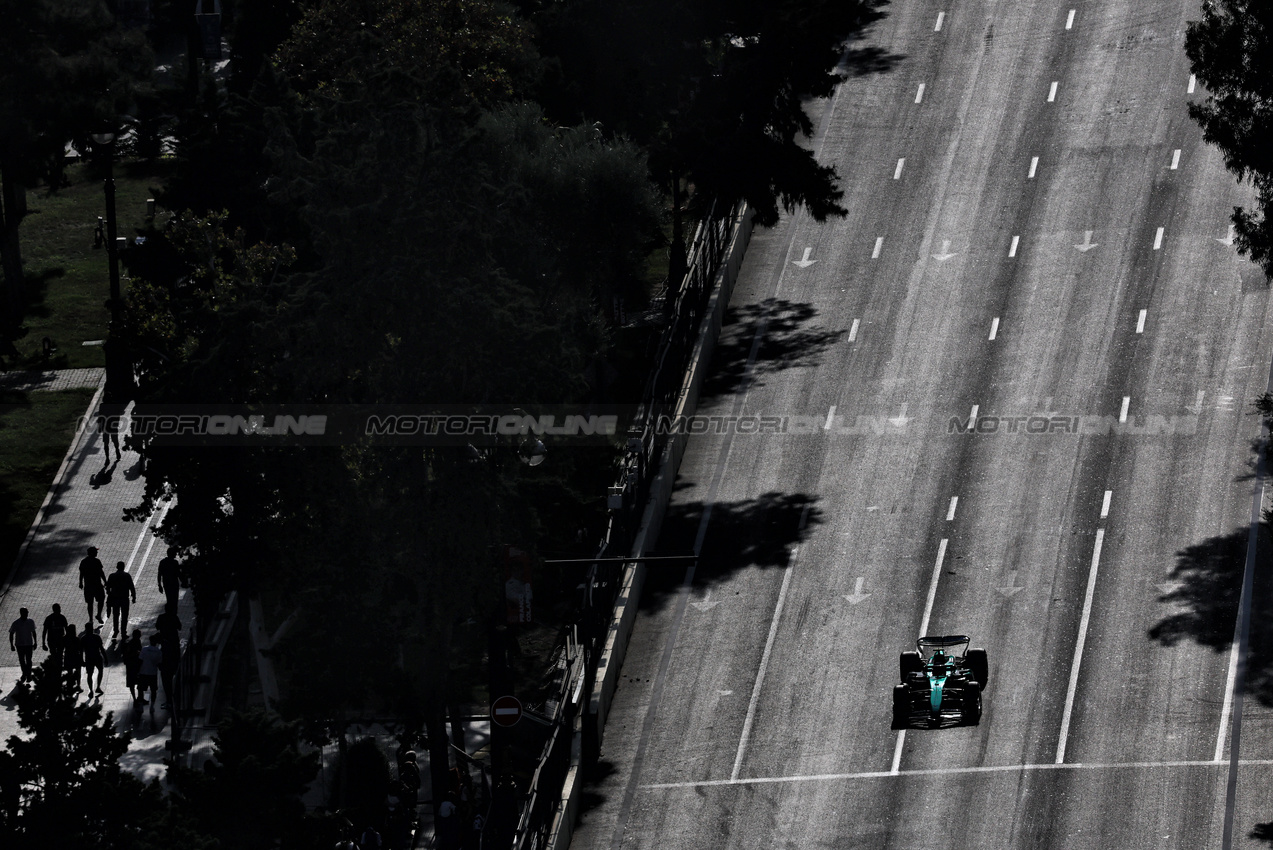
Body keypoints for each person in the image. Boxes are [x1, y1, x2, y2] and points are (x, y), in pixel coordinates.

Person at [156, 603, 182, 709]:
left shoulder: (161, 617)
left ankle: (169, 700)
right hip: (174, 644)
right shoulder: (174, 617)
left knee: (166, 681)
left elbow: (157, 626)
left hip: (166, 644)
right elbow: (179, 627)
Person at [104, 561, 137, 640]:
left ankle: (115, 630)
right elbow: (131, 587)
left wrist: (109, 594)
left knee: (115, 615)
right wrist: (133, 596)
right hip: (124, 598)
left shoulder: (112, 576)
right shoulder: (127, 576)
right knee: (124, 616)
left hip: (115, 598)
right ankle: (123, 632)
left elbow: (108, 587)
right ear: (124, 567)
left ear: (117, 567)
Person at [78, 546, 108, 623]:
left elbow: (82, 573)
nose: (97, 553)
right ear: (92, 553)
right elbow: (101, 572)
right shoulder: (97, 561)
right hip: (97, 584)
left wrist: (81, 583)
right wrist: (105, 581)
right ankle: (98, 614)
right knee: (101, 599)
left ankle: (91, 619)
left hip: (88, 585)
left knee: (90, 603)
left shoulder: (83, 562)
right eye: (95, 552)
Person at [8, 608, 37, 683]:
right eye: (25, 612)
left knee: (28, 660)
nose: (27, 614)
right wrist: (11, 644)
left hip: (28, 644)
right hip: (20, 644)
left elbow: (33, 632)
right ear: (21, 613)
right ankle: (25, 673)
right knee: (22, 660)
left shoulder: (30, 621)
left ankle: (28, 674)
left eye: (27, 612)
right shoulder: (16, 623)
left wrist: (35, 642)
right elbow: (11, 633)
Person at [137, 634, 163, 716]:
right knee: (153, 690)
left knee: (140, 690)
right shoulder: (159, 652)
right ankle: (152, 706)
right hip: (153, 673)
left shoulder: (144, 649)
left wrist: (137, 671)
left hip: (143, 672)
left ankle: (141, 706)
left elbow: (140, 660)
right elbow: (159, 664)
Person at [80, 623, 107, 695]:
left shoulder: (83, 638)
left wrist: (82, 660)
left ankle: (91, 690)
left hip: (89, 658)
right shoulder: (96, 637)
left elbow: (81, 651)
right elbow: (101, 648)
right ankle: (97, 687)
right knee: (99, 671)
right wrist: (105, 657)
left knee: (90, 674)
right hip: (97, 657)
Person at [41, 603, 69, 669]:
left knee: (58, 654)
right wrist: (43, 643)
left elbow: (66, 629)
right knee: (56, 654)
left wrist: (43, 643)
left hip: (56, 640)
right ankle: (57, 667)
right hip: (54, 640)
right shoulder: (59, 617)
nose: (59, 610)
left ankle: (57, 667)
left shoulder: (52, 618)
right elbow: (44, 631)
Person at [157, 547, 182, 611]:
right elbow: (178, 574)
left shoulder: (162, 562)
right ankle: (174, 613)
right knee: (175, 600)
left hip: (167, 584)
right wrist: (183, 581)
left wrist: (159, 585)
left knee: (169, 599)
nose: (176, 554)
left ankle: (169, 612)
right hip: (174, 584)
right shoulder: (175, 563)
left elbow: (159, 574)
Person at [123, 629, 143, 701]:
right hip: (132, 665)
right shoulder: (131, 643)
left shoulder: (137, 641)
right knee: (134, 682)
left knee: (138, 682)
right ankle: (135, 698)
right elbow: (127, 654)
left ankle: (139, 697)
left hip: (135, 664)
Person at [63, 624, 83, 693]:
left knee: (70, 672)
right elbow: (80, 650)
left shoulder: (65, 638)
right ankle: (78, 685)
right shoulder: (76, 639)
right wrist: (82, 659)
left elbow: (62, 648)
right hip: (76, 656)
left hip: (68, 656)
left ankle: (70, 685)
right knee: (78, 672)